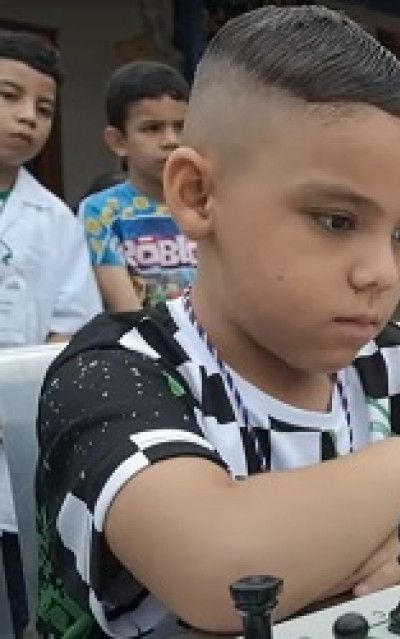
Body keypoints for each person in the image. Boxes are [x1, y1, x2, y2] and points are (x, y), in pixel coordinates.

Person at [35, 6, 400, 637]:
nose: (380, 273)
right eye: (336, 221)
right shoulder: (114, 373)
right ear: (198, 194)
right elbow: (222, 570)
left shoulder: (386, 368)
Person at [0, 30, 101, 637]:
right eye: (8, 96)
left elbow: (70, 323)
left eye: (43, 108)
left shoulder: (55, 218)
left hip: (13, 430)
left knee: (16, 588)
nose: (27, 118)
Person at [78, 60, 193, 312]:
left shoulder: (210, 203)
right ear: (118, 141)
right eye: (152, 128)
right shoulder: (102, 211)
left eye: (180, 127)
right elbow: (127, 311)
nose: (171, 140)